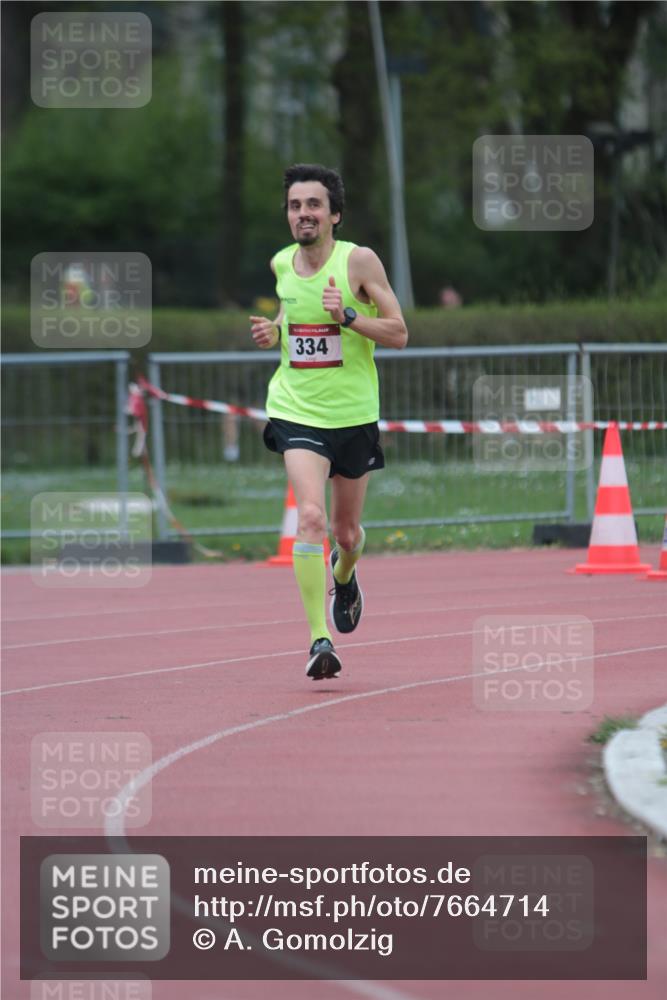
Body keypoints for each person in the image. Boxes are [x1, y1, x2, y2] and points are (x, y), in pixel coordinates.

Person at [250, 164, 408, 680]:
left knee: (346, 532)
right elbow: (290, 315)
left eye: (313, 205)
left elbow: (400, 333)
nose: (304, 214)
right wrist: (274, 332)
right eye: (295, 206)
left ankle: (346, 572)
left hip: (354, 416)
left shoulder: (358, 261)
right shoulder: (280, 264)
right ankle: (320, 640)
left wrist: (350, 319)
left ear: (334, 214)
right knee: (311, 519)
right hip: (296, 409)